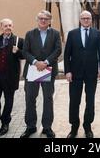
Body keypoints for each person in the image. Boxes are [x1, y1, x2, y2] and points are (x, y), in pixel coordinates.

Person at [63, 11, 100, 138]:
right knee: (74, 100)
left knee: (90, 100)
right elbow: (67, 55)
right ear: (80, 20)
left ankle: (87, 126)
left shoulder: (97, 34)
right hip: (75, 73)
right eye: (84, 18)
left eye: (88, 18)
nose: (86, 20)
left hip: (91, 73)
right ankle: (74, 127)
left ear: (91, 20)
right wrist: (68, 71)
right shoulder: (72, 34)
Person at [20, 10, 62, 138]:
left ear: (50, 21)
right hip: (33, 71)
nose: (43, 20)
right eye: (41, 18)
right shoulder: (29, 34)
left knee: (48, 99)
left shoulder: (55, 34)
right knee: (30, 98)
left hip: (48, 70)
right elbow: (25, 51)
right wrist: (35, 62)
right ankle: (30, 126)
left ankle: (47, 127)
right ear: (37, 20)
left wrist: (46, 62)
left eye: (46, 19)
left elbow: (58, 50)